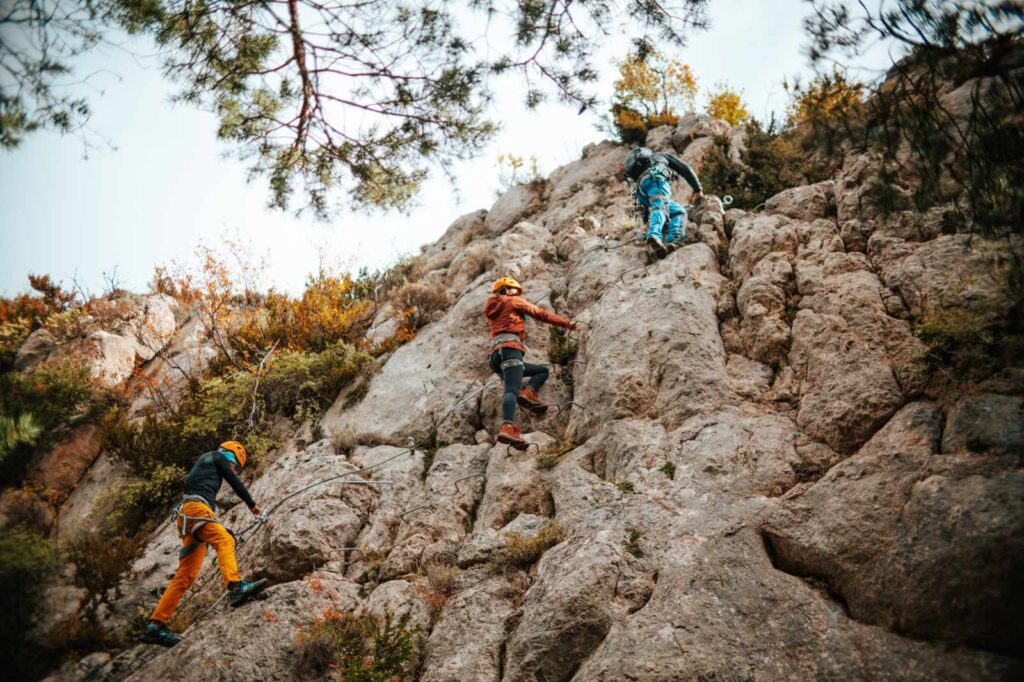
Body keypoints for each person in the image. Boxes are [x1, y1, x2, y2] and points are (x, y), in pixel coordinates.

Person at [139, 441, 267, 647]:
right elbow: (234, 482)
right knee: (224, 541)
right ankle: (235, 587)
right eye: (236, 466)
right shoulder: (215, 457)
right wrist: (253, 505)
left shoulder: (205, 468)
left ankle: (155, 626)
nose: (234, 470)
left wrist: (223, 528)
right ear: (232, 457)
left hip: (190, 517)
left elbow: (206, 513)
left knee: (186, 575)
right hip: (195, 511)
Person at [484, 277, 576, 450]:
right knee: (511, 390)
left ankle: (528, 393)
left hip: (495, 356)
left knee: (541, 371)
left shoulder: (492, 308)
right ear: (506, 290)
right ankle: (508, 427)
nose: (517, 293)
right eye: (514, 290)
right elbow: (541, 314)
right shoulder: (514, 301)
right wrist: (568, 324)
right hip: (511, 348)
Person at [622, 147, 703, 258]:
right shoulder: (663, 156)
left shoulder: (641, 169)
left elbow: (645, 205)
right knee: (660, 206)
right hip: (656, 180)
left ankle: (673, 241)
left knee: (679, 211)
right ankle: (654, 235)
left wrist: (646, 220)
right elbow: (685, 169)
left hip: (641, 190)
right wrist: (697, 188)